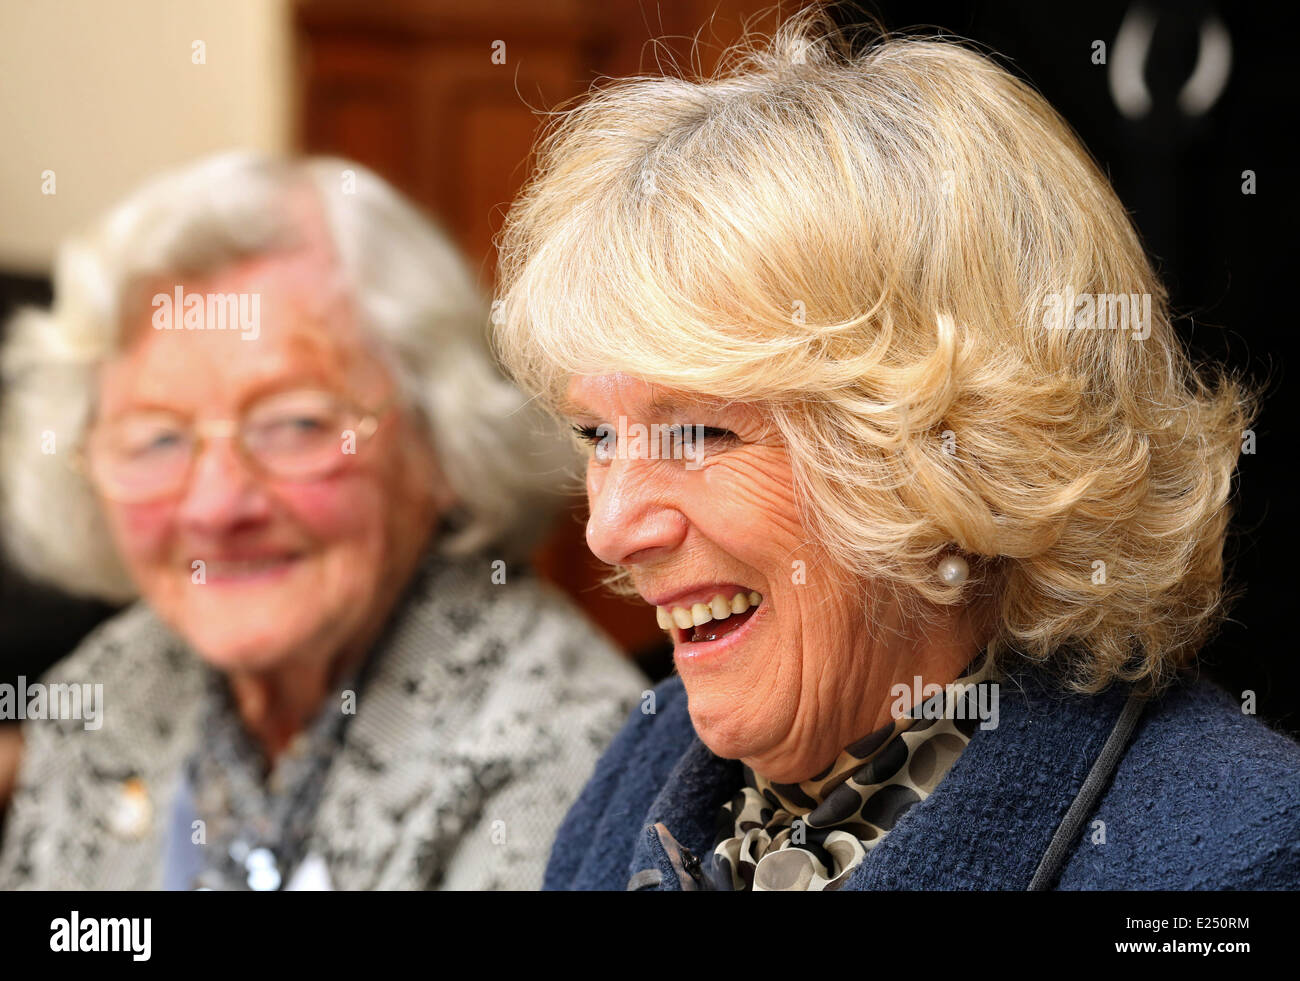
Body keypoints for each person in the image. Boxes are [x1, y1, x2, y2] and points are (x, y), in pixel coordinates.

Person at [491, 10, 1300, 890]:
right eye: (599, 437)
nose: (610, 529)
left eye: (699, 432)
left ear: (955, 447)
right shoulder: (640, 776)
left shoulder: (1230, 862)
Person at [0, 152, 645, 890]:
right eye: (157, 438)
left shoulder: (565, 755)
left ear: (437, 444)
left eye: (295, 424)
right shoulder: (105, 697)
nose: (216, 506)